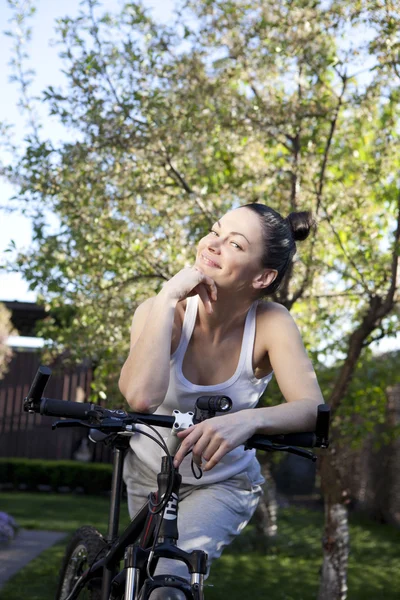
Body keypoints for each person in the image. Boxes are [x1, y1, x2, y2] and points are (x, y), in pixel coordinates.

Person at [119, 203, 325, 598]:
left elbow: (311, 408)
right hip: (147, 474)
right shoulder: (163, 311)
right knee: (134, 577)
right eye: (215, 231)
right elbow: (141, 397)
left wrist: (247, 421)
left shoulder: (271, 323)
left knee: (167, 586)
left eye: (234, 243)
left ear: (263, 276)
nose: (214, 244)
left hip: (221, 483)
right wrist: (165, 298)